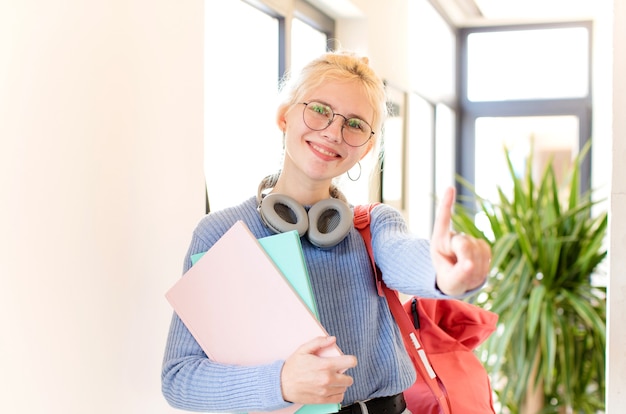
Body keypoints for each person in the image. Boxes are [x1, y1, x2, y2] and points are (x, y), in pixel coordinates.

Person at [161, 49, 491, 413]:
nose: (333, 131)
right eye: (319, 110)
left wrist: (445, 271)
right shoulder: (221, 233)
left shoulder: (373, 226)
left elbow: (407, 257)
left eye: (354, 124)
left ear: (366, 148)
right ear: (284, 116)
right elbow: (179, 379)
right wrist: (282, 382)